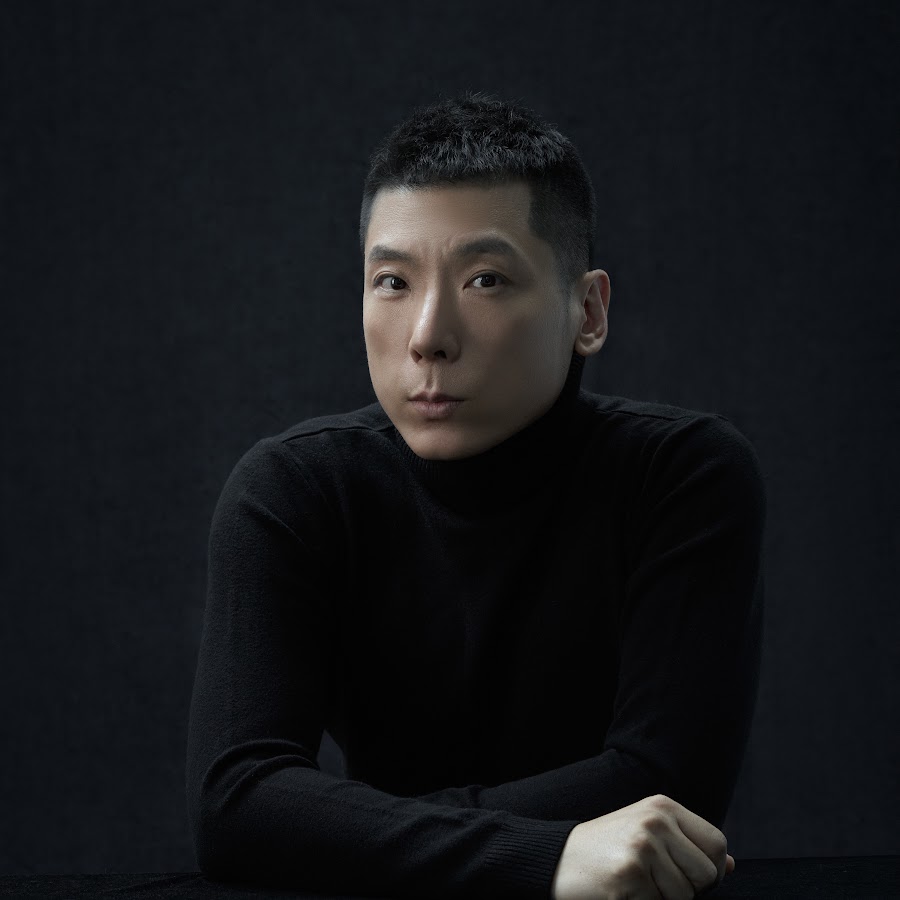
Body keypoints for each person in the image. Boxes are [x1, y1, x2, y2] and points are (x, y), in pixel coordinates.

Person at [185, 90, 765, 899]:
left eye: (485, 279)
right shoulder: (294, 491)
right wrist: (547, 856)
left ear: (588, 311)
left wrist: (338, 831)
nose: (428, 335)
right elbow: (237, 808)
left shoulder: (683, 477)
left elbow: (667, 795)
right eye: (392, 280)